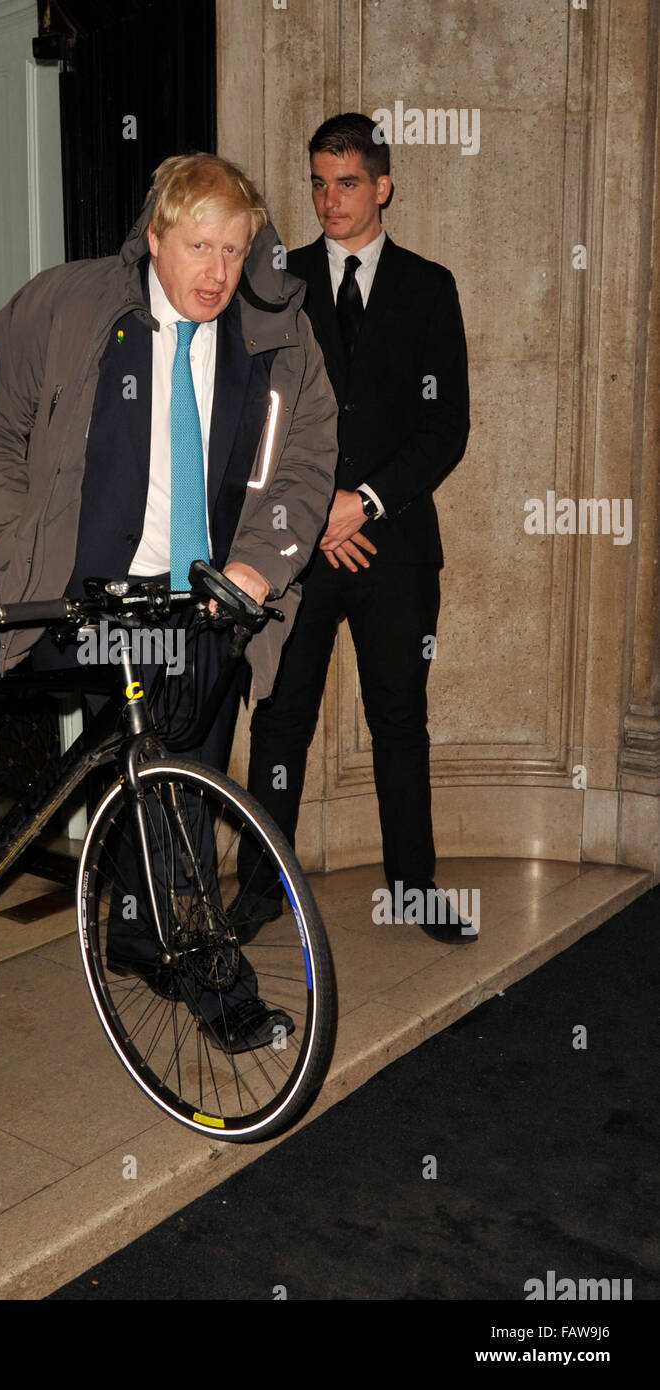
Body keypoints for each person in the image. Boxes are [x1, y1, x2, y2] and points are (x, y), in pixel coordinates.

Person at [0, 152, 339, 1050]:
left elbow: (307, 457)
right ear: (156, 237)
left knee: (174, 776)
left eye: (233, 248)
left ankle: (140, 936)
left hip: (208, 601)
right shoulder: (68, 306)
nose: (217, 272)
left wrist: (255, 568)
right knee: (164, 781)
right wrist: (19, 554)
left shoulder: (276, 328)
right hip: (93, 598)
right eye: (199, 246)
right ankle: (218, 980)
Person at [239, 113, 473, 943]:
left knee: (399, 718)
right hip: (294, 550)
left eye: (345, 183)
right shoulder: (277, 279)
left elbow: (445, 432)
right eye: (317, 183)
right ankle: (262, 890)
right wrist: (314, 514)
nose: (328, 200)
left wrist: (362, 501)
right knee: (280, 716)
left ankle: (414, 884)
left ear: (382, 186)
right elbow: (257, 416)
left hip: (396, 545)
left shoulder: (428, 285)